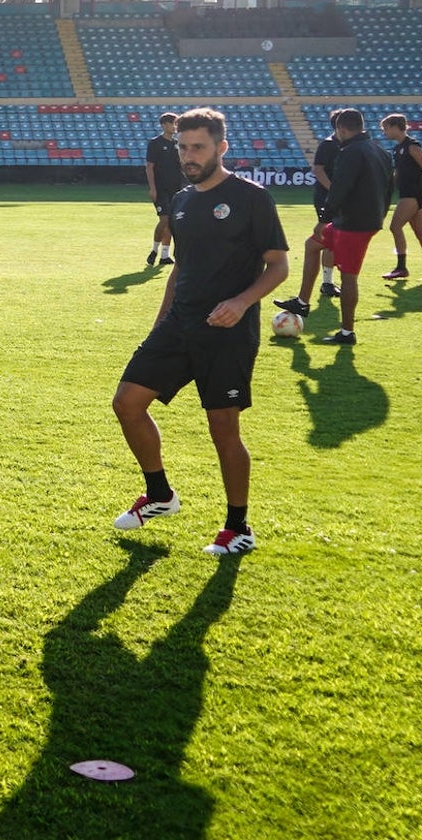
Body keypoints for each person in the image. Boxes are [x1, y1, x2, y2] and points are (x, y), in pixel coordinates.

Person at [112, 108, 289, 556]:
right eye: (183, 147)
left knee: (223, 430)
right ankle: (160, 495)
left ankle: (238, 527)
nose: (188, 155)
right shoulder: (182, 200)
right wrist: (160, 321)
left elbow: (279, 264)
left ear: (221, 148)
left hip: (227, 333)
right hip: (179, 323)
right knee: (127, 403)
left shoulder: (251, 197)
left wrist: (242, 301)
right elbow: (181, 267)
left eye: (198, 147)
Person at [274, 108, 393, 344]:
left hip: (353, 224)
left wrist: (322, 218)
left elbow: (340, 188)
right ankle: (302, 302)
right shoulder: (379, 150)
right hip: (361, 219)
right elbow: (389, 188)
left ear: (341, 128)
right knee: (312, 245)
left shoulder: (350, 151)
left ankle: (347, 332)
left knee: (348, 276)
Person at [378, 113, 422, 280]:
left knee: (395, 227)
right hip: (408, 193)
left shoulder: (412, 146)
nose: (384, 132)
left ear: (396, 127)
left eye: (386, 128)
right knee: (420, 233)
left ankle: (401, 267)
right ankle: (401, 267)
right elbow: (399, 172)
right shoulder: (398, 148)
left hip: (412, 194)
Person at [145, 112, 183, 267]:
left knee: (172, 222)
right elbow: (149, 167)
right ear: (164, 125)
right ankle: (154, 250)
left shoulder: (177, 144)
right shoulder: (155, 143)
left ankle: (165, 255)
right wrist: (152, 188)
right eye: (173, 123)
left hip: (175, 188)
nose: (175, 127)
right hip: (161, 189)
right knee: (164, 219)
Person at [311, 110, 342, 298]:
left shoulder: (347, 146)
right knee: (329, 238)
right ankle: (327, 282)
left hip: (340, 198)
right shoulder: (328, 145)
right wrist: (334, 190)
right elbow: (318, 170)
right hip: (327, 198)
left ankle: (328, 281)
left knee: (333, 238)